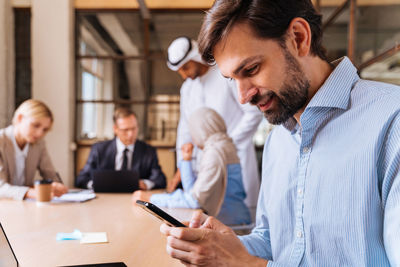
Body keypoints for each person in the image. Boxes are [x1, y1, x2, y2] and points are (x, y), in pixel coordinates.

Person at [160, 0, 400, 266]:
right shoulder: (279, 140)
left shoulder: (392, 122)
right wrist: (225, 246)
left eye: (250, 70)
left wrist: (245, 264)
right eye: (232, 80)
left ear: (298, 38)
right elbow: (273, 242)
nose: (242, 97)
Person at [166, 36, 262, 210]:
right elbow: (185, 128)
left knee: (241, 220)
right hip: (203, 166)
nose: (184, 74)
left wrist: (226, 146)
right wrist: (181, 165)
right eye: (179, 71)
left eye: (186, 67)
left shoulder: (226, 75)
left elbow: (253, 113)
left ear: (196, 57)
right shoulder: (187, 88)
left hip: (236, 159)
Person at [133, 108, 251, 225]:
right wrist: (186, 161)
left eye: (193, 132)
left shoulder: (215, 153)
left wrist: (151, 198)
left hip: (230, 226)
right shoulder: (224, 145)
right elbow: (194, 193)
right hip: (236, 220)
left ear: (201, 130)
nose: (193, 139)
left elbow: (194, 201)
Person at [75, 107, 166, 190]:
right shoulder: (99, 149)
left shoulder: (148, 151)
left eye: (134, 129)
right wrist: (96, 184)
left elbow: (160, 179)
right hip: (105, 200)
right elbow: (81, 179)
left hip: (135, 199)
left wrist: (146, 184)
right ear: (115, 129)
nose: (131, 134)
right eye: (125, 130)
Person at [0, 99, 68, 200]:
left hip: (24, 206)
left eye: (45, 129)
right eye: (36, 125)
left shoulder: (38, 144)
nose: (40, 133)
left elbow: (50, 174)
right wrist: (30, 192)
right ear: (20, 118)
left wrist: (57, 186)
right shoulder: (1, 141)